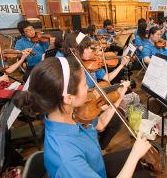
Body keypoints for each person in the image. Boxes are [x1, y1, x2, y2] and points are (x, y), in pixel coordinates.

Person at [13, 56, 153, 178]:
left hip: (97, 166)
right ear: (68, 98)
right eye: (85, 84)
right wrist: (135, 155)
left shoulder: (70, 113)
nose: (90, 89)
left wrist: (119, 96)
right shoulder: (66, 160)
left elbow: (101, 123)